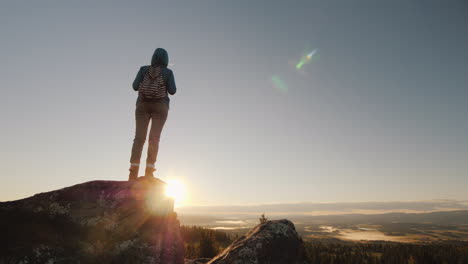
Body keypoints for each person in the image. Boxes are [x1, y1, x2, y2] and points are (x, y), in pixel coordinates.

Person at [129, 48, 176, 181]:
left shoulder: (143, 69)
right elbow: (172, 90)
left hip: (142, 105)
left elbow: (134, 86)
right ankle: (149, 170)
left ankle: (133, 170)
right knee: (154, 138)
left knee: (139, 138)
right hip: (161, 107)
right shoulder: (168, 72)